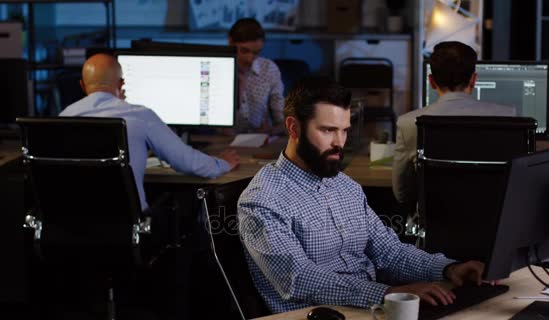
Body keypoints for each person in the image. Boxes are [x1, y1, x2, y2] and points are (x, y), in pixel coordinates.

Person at [238, 76, 485, 313]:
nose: (339, 142)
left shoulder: (345, 186)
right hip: (321, 314)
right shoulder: (263, 200)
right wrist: (388, 294)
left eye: (344, 130)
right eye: (327, 130)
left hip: (370, 308)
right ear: (293, 127)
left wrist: (448, 269)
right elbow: (299, 278)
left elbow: (389, 252)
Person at [60, 53, 240, 210]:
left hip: (65, 228)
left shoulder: (62, 119)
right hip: (126, 230)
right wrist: (222, 163)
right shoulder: (138, 116)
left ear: (82, 86)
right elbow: (189, 163)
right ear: (122, 83)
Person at [392, 41, 516, 216]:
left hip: (435, 232)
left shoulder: (408, 123)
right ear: (473, 80)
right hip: (493, 231)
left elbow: (402, 193)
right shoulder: (508, 118)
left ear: (431, 81)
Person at [228, 18, 285, 135]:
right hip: (220, 140)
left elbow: (282, 119)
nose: (250, 58)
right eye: (244, 51)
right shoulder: (215, 68)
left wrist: (272, 130)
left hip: (259, 141)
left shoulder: (268, 69)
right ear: (230, 42)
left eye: (256, 53)